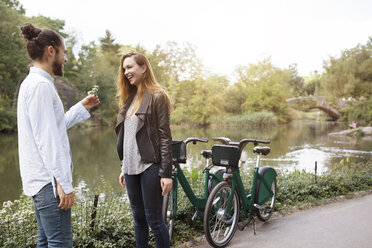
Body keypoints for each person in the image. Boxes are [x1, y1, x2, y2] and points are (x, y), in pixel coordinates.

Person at [17, 23, 100, 247]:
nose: (65, 59)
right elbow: (48, 140)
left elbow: (53, 127)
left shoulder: (35, 84)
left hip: (43, 182)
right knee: (60, 243)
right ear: (51, 51)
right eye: (64, 52)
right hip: (49, 183)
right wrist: (63, 183)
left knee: (46, 243)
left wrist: (80, 107)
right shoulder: (40, 86)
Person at [115, 52, 173, 248]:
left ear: (143, 68)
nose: (126, 72)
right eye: (124, 69)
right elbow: (127, 139)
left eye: (130, 67)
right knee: (138, 219)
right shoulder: (128, 100)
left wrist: (166, 173)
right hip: (130, 169)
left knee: (155, 220)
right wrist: (124, 166)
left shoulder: (158, 96)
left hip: (150, 166)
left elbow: (165, 137)